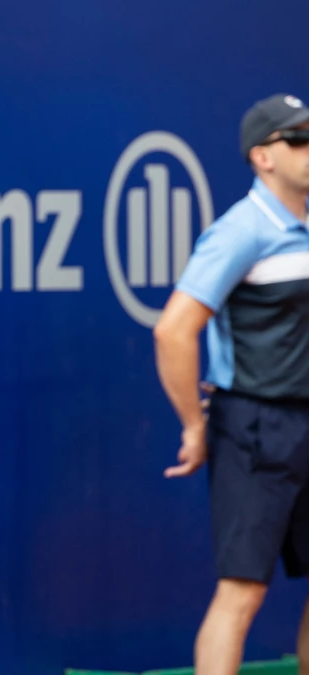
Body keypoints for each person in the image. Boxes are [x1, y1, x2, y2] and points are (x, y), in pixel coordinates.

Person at [154, 92, 309, 674]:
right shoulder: (240, 232)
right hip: (256, 430)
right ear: (263, 157)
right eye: (298, 139)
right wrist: (196, 425)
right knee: (243, 591)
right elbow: (174, 331)